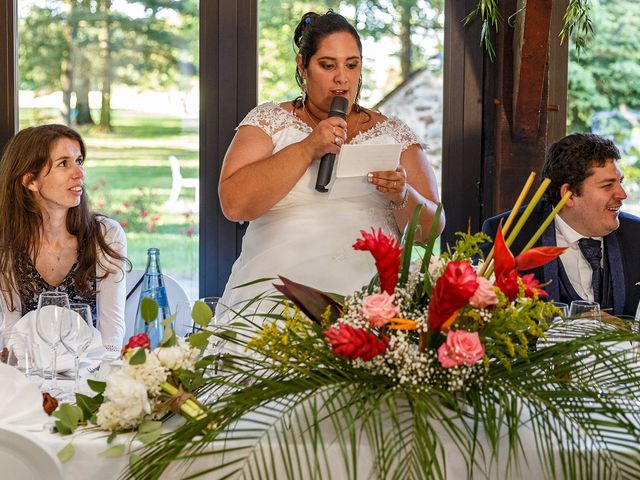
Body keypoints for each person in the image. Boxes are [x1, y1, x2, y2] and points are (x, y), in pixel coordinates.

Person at [217, 11, 443, 320]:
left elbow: (430, 231)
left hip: (372, 297)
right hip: (277, 291)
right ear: (302, 65)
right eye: (328, 65)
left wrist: (402, 194)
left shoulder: (393, 134)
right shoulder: (268, 122)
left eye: (352, 64)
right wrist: (308, 147)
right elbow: (235, 205)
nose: (342, 78)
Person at [0, 124, 129, 351]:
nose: (80, 174)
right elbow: (11, 333)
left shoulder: (105, 235)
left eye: (79, 161)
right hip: (29, 375)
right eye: (63, 164)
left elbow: (112, 334)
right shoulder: (7, 243)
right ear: (31, 180)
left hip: (92, 374)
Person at [482, 132, 640, 317]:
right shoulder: (508, 237)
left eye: (620, 182)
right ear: (569, 194)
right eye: (607, 185)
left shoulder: (636, 235)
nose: (622, 194)